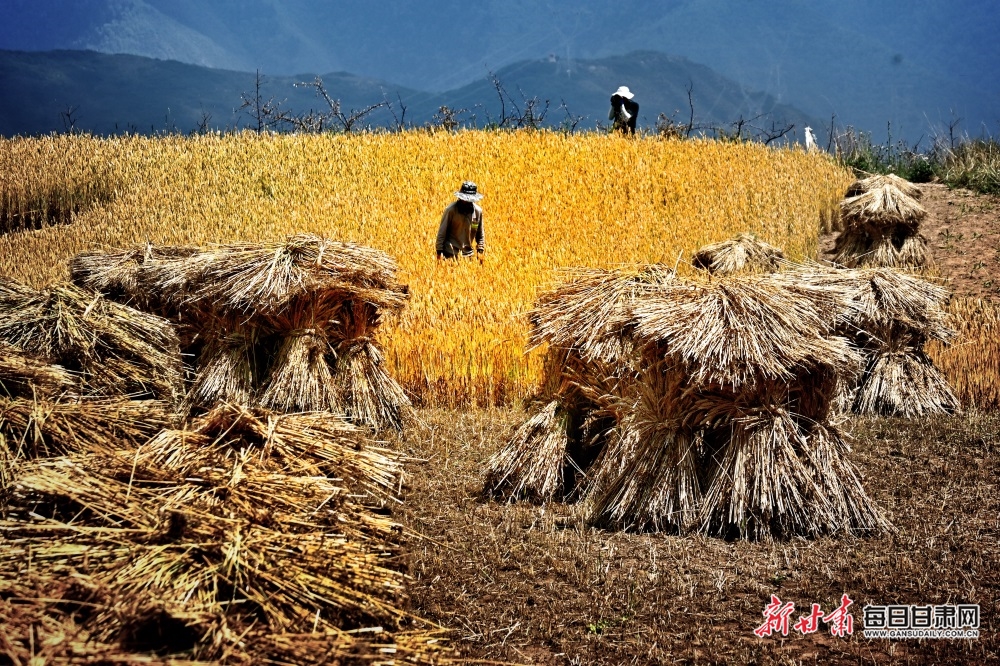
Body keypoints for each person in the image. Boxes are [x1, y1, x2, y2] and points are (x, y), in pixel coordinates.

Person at [436, 181, 485, 261]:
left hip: (468, 256)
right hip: (450, 255)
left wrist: (480, 251)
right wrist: (439, 253)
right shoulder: (450, 210)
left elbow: (480, 235)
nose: (466, 202)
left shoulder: (477, 212)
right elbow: (441, 234)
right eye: (464, 199)